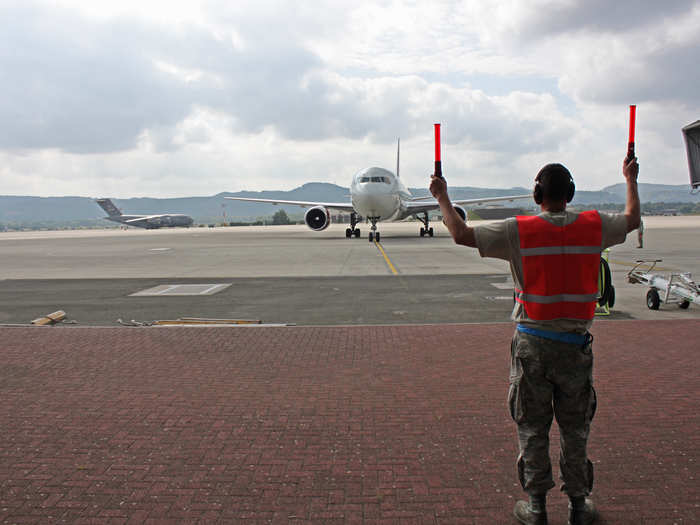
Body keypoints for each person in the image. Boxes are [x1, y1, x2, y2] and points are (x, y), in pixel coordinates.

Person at [430, 157, 640, 525]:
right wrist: (630, 179)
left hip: (531, 346)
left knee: (532, 426)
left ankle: (536, 507)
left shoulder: (519, 230)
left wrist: (443, 197)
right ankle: (578, 506)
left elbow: (462, 234)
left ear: (537, 194)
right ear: (570, 193)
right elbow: (632, 219)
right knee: (575, 428)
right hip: (575, 346)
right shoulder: (594, 227)